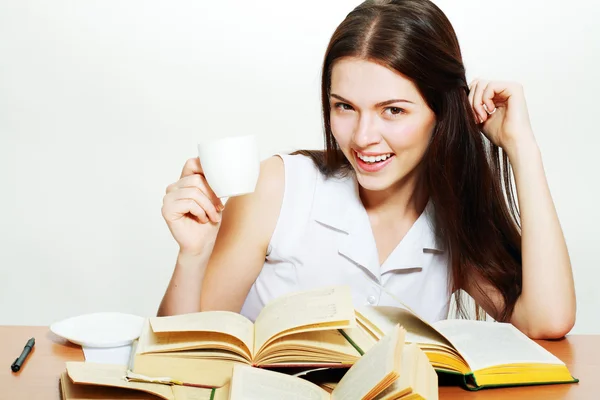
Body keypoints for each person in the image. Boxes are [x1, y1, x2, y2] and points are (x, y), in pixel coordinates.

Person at [157, 0, 576, 339]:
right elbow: (190, 349)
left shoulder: (450, 211)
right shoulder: (277, 186)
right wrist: (192, 257)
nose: (362, 137)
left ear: (441, 112)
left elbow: (546, 320)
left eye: (392, 110)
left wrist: (522, 149)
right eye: (344, 107)